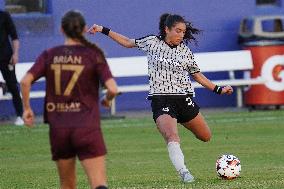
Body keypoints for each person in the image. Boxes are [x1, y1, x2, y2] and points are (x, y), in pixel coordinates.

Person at [88, 13, 233, 183]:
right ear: (167, 29)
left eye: (183, 32)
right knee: (172, 136)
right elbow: (127, 42)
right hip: (161, 99)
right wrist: (102, 29)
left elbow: (197, 76)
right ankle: (184, 172)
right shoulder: (151, 42)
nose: (181, 35)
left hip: (184, 99)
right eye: (178, 31)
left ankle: (182, 129)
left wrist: (219, 90)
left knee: (206, 136)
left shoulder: (185, 51)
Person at [20, 10, 118, 189]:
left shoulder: (50, 54)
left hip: (59, 128)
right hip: (87, 127)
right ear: (85, 29)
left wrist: (27, 108)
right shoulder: (93, 54)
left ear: (61, 30)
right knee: (98, 183)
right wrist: (107, 100)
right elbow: (112, 88)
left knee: (67, 185)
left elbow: (25, 81)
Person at [0, 9, 24, 125]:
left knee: (13, 86)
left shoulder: (4, 15)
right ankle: (1, 85)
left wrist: (15, 54)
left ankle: (20, 115)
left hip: (5, 56)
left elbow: (14, 36)